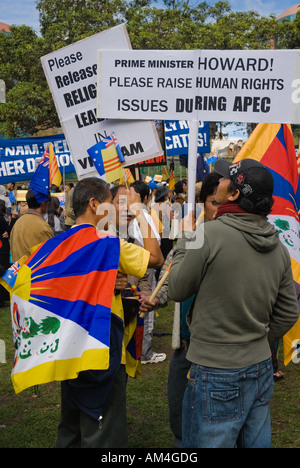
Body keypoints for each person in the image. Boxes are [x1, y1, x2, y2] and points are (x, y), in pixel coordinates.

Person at [168, 158, 299, 448]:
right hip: (260, 365)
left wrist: (185, 239)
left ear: (234, 195)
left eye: (227, 179)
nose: (219, 180)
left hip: (215, 369)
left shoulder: (208, 235)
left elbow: (176, 288)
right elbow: (289, 310)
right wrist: (260, 341)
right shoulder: (277, 244)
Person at [56, 177, 163, 448]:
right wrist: (141, 214)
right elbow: (155, 258)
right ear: (95, 205)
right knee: (103, 424)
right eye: (112, 203)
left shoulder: (56, 245)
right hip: (102, 343)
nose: (119, 209)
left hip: (67, 345)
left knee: (71, 422)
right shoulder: (107, 244)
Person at [140, 173, 221, 447]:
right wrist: (157, 298)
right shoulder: (191, 237)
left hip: (218, 350)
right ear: (201, 203)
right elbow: (170, 273)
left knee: (219, 425)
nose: (219, 209)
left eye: (224, 202)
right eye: (213, 202)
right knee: (180, 419)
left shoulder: (233, 241)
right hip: (185, 345)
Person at [10, 188, 54, 262]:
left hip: (19, 272)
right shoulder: (42, 226)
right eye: (48, 202)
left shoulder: (18, 223)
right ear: (43, 203)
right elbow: (50, 258)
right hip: (35, 272)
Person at [0, 200, 18, 305]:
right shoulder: (1, 219)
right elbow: (10, 230)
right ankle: (4, 296)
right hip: (2, 248)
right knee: (4, 272)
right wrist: (14, 218)